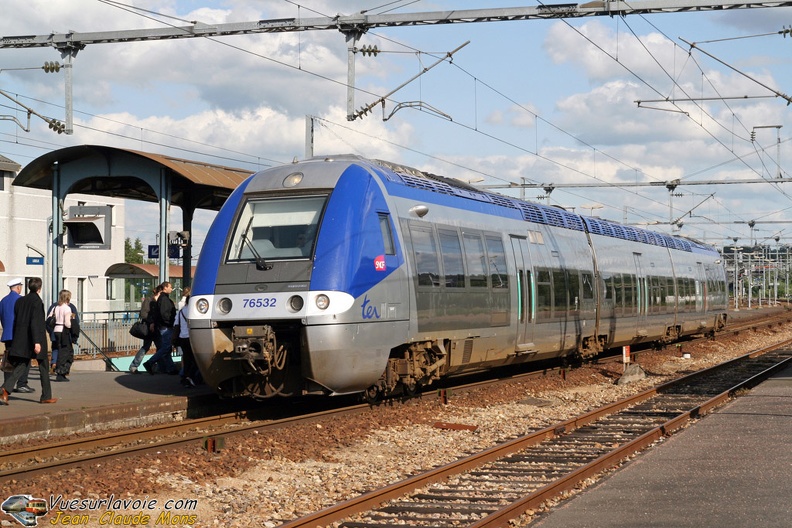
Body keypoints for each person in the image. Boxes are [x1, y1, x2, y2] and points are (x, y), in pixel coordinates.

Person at [0, 277, 56, 405]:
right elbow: (35, 322)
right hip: (35, 339)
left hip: (22, 339)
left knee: (22, 365)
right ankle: (46, 396)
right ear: (39, 288)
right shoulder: (37, 302)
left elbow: (17, 320)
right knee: (43, 366)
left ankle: (5, 389)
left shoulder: (21, 301)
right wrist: (37, 342)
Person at [0, 278, 35, 394]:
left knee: (9, 360)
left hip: (7, 335)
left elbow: (2, 318)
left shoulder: (3, 301)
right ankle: (22, 383)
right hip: (19, 335)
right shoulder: (21, 300)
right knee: (25, 358)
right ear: (18, 288)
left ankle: (7, 384)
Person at [142, 281, 178, 375]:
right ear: (165, 288)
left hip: (164, 326)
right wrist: (170, 322)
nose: (171, 288)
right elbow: (164, 314)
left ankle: (171, 368)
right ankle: (150, 362)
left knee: (166, 347)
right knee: (166, 347)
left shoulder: (162, 299)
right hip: (166, 326)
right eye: (170, 287)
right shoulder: (164, 300)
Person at [129, 286, 161, 374]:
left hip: (155, 328)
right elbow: (143, 313)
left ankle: (136, 366)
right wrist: (151, 322)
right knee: (148, 347)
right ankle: (134, 366)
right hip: (148, 328)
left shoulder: (157, 301)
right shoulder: (149, 300)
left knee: (158, 347)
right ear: (159, 292)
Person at [50, 290, 76, 382]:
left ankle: (59, 371)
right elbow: (68, 324)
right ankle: (61, 373)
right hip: (63, 331)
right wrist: (72, 319)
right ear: (67, 297)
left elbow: (50, 318)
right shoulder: (67, 308)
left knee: (59, 349)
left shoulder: (56, 307)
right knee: (66, 352)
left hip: (56, 329)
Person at [174, 294, 198, 387]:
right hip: (192, 338)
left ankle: (185, 376)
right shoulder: (193, 311)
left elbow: (176, 324)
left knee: (187, 359)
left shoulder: (181, 312)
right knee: (194, 360)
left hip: (182, 338)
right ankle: (190, 377)